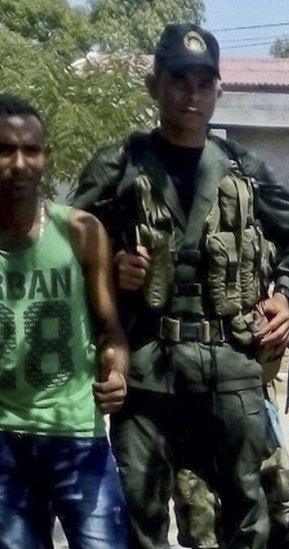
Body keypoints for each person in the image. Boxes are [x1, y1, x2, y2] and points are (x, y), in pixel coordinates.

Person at [72, 23, 289, 548]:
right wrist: (111, 263)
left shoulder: (241, 167)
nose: (192, 94)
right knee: (141, 515)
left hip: (230, 365)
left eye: (205, 82)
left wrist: (284, 296)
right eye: (180, 79)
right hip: (147, 372)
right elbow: (67, 246)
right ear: (154, 85)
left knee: (252, 515)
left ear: (219, 91)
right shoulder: (120, 165)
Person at [0, 94, 130, 547]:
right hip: (4, 441)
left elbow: (110, 329)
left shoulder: (80, 231)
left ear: (46, 156)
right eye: (5, 150)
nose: (19, 164)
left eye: (30, 151)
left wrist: (116, 373)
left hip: (76, 436)